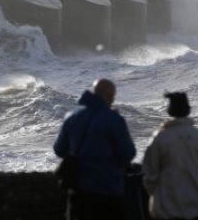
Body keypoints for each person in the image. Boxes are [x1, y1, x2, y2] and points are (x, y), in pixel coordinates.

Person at [53, 79, 136, 220]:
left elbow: (59, 150)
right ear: (109, 96)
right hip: (109, 190)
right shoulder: (114, 119)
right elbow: (128, 153)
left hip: (78, 191)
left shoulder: (72, 116)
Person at [142, 92, 198, 220]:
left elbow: (150, 173)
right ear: (188, 109)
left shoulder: (160, 138)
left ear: (169, 111)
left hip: (168, 208)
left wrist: (156, 193)